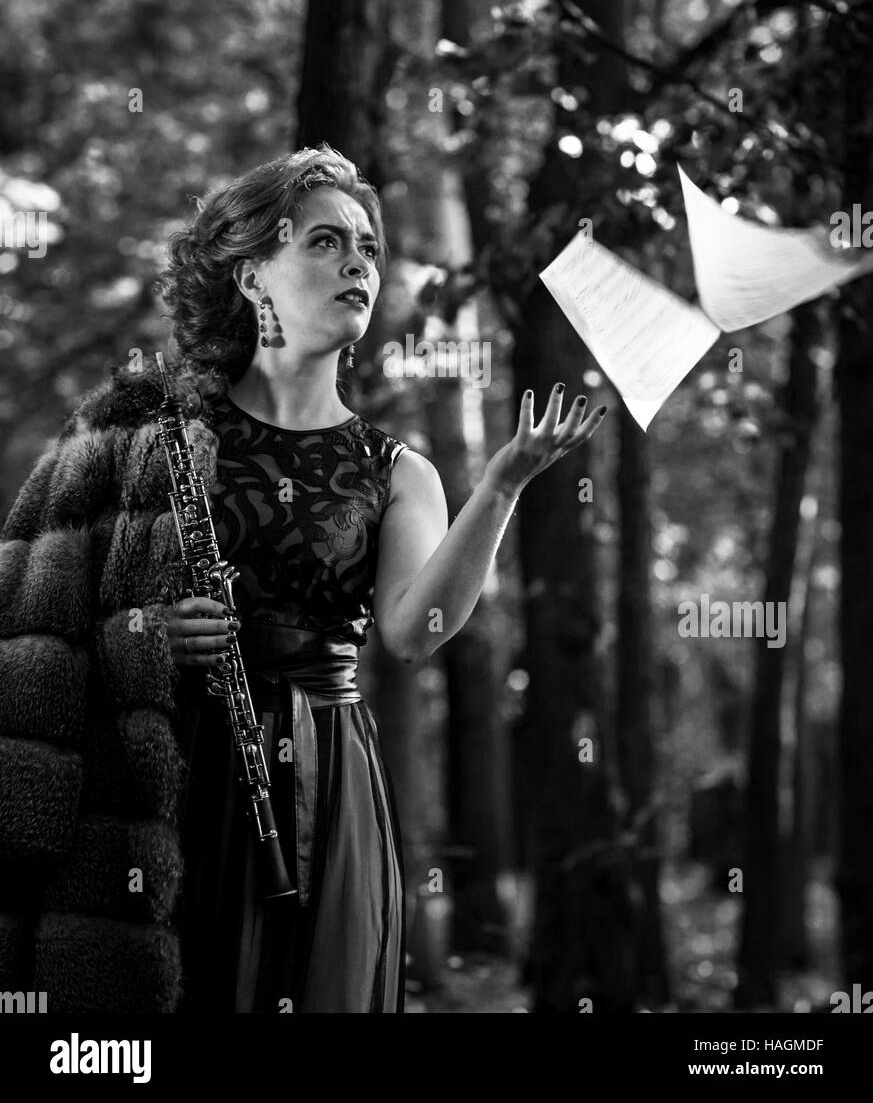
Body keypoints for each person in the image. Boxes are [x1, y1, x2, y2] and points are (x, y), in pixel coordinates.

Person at [0, 144, 607, 1014]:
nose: (357, 260)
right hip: (168, 780)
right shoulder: (138, 429)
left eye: (366, 245)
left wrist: (504, 482)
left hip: (331, 777)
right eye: (324, 241)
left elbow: (412, 632)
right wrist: (139, 637)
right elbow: (28, 625)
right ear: (252, 276)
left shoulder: (400, 472)